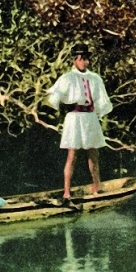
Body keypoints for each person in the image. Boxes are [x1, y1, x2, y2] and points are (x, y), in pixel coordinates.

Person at [47, 43, 113, 199]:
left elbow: (101, 99)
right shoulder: (67, 78)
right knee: (72, 155)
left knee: (93, 154)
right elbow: (54, 95)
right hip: (75, 118)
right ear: (74, 60)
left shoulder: (95, 78)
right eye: (81, 59)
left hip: (90, 117)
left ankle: (97, 187)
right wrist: (55, 105)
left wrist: (99, 112)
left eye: (86, 59)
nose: (85, 62)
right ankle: (67, 192)